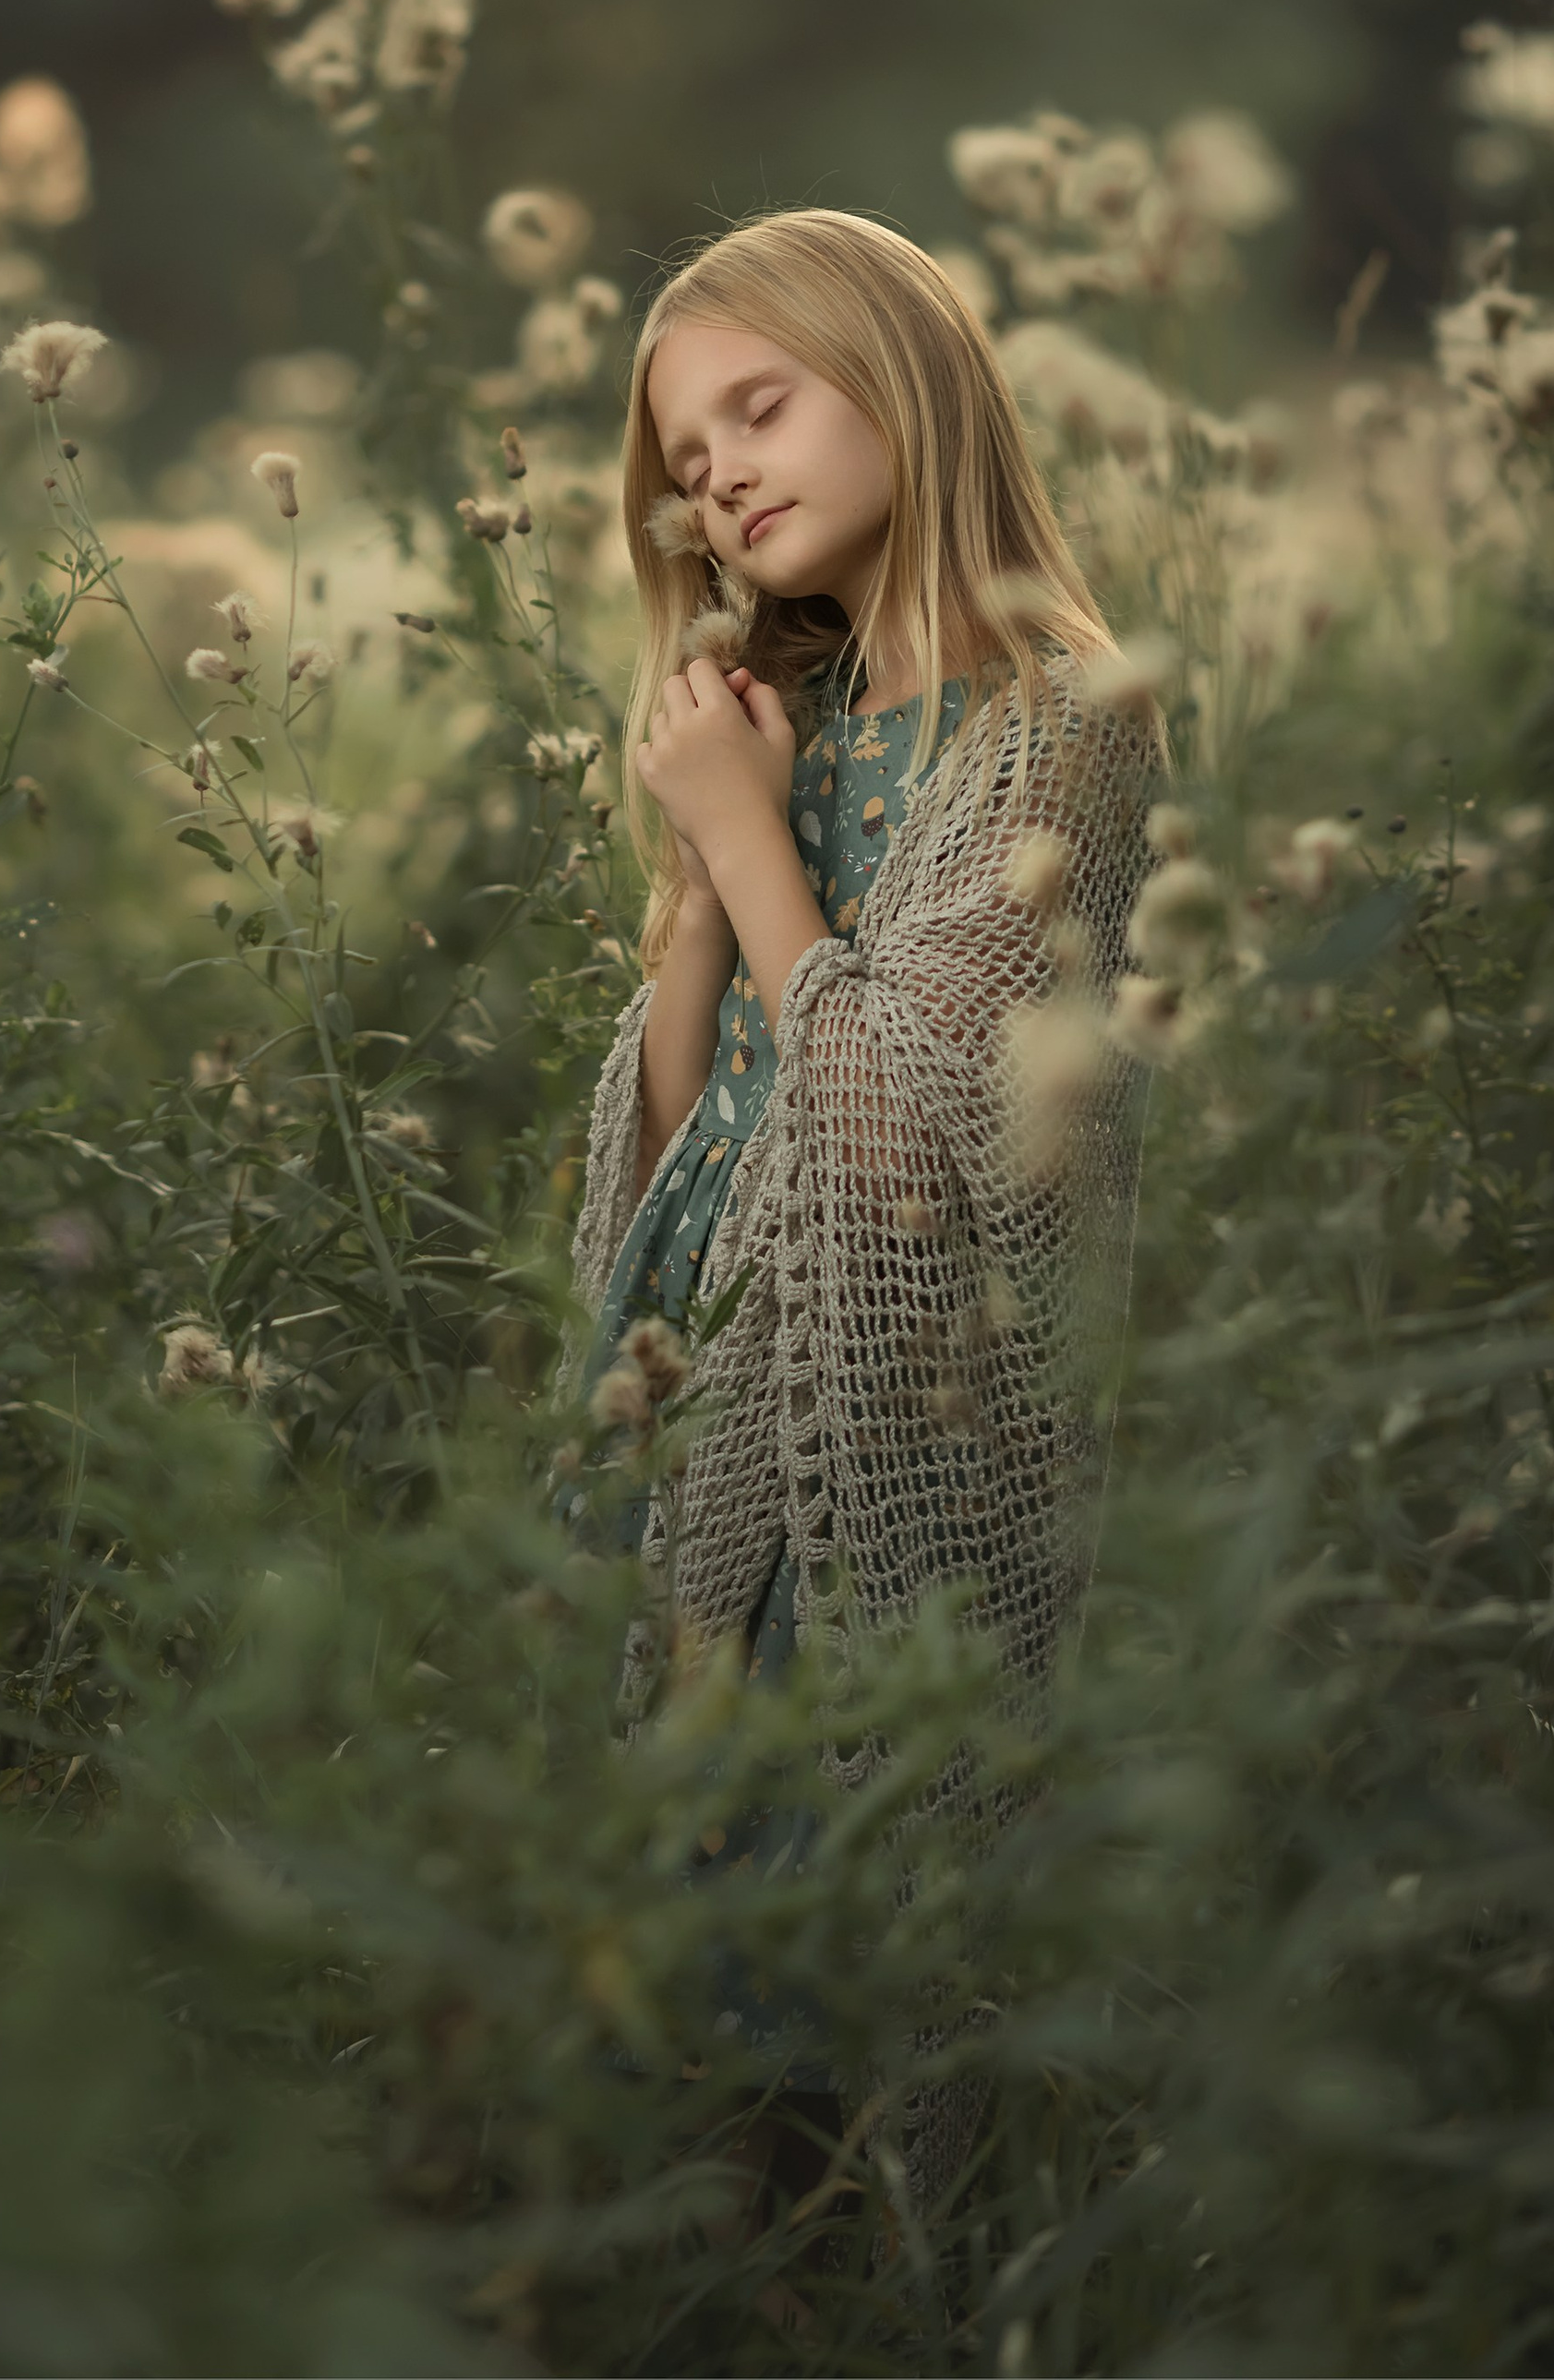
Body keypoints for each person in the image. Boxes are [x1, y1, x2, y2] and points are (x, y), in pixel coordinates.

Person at [566, 207, 1155, 2194]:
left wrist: (744, 846)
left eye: (759, 406)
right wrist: (699, 862)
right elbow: (669, 1119)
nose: (715, 470)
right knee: (665, 1923)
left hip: (892, 1422)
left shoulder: (1055, 725)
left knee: (834, 1925)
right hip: (708, 1374)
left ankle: (849, 2269)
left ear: (903, 381)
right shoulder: (786, 718)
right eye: (683, 457)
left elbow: (914, 1143)